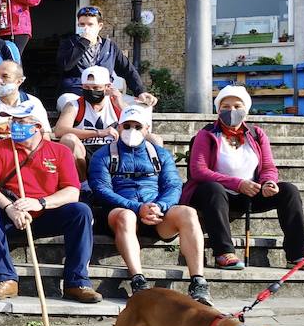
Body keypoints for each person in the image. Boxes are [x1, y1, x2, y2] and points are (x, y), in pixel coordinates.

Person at [0, 101, 102, 303]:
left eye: (20, 121)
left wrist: (40, 202)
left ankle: (77, 281)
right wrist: (9, 207)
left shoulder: (60, 151)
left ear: (37, 127)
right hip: (10, 215)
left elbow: (72, 192)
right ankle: (5, 278)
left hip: (46, 214)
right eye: (13, 121)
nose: (14, 125)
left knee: (81, 211)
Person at [183, 85, 304, 272]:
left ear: (246, 110)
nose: (232, 111)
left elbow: (268, 166)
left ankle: (298, 254)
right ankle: (224, 253)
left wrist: (268, 183)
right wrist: (238, 184)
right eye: (225, 106)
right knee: (213, 188)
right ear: (218, 110)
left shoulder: (256, 134)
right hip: (215, 196)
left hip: (250, 193)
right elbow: (199, 171)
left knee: (289, 190)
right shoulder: (206, 134)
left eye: (237, 106)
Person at [87, 106, 212, 305]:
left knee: (188, 212)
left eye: (138, 126)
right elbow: (101, 190)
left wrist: (160, 206)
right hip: (121, 212)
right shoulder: (102, 156)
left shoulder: (160, 154)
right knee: (126, 216)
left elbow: (173, 185)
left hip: (156, 213)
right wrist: (137, 208)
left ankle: (198, 282)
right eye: (127, 126)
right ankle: (138, 280)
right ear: (118, 127)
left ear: (147, 129)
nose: (132, 130)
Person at [57, 5, 156, 103]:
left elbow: (127, 70)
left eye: (90, 24)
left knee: (143, 106)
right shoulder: (68, 43)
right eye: (82, 24)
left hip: (105, 94)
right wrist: (83, 43)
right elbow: (65, 66)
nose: (86, 28)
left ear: (99, 26)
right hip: (76, 93)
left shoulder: (110, 46)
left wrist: (140, 92)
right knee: (69, 104)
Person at [54, 65, 125, 179]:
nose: (91, 91)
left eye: (96, 88)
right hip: (84, 151)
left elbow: (138, 126)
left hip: (112, 151)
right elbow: (59, 130)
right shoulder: (74, 105)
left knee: (151, 138)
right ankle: (84, 183)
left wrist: (120, 104)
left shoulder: (116, 103)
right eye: (86, 87)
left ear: (107, 87)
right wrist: (98, 133)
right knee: (68, 139)